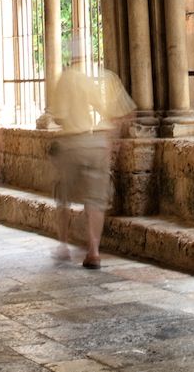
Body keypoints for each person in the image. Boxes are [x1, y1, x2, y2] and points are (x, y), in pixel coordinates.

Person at [46, 41, 135, 269]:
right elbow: (115, 112)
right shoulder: (95, 78)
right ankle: (93, 250)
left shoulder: (66, 79)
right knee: (95, 200)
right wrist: (109, 138)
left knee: (63, 196)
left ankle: (64, 245)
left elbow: (59, 117)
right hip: (96, 144)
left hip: (73, 143)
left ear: (69, 58)